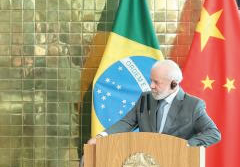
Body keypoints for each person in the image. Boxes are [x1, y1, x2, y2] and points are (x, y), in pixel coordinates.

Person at [87, 59, 220, 147]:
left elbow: (213, 133)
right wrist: (101, 137)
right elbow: (127, 122)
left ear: (173, 84)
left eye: (157, 82)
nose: (151, 86)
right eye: (151, 80)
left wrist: (185, 145)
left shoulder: (193, 105)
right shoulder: (146, 98)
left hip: (177, 166)